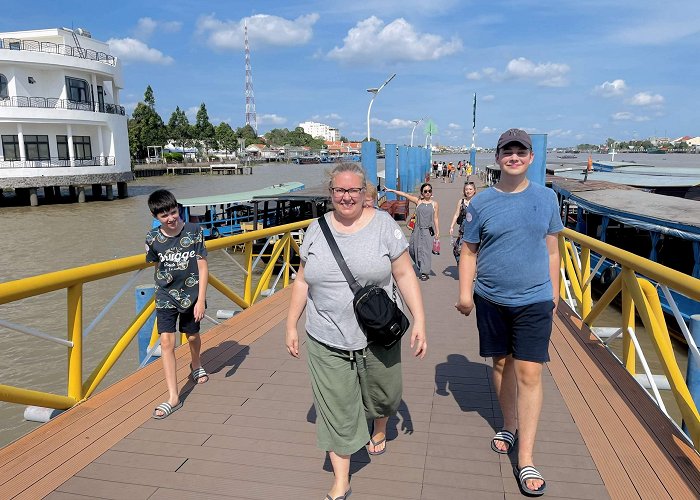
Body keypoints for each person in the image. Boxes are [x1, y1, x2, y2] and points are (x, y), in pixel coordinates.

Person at [286, 163, 427, 500]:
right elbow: (302, 279)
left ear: (365, 193)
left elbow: (405, 274)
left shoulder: (383, 226)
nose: (346, 196)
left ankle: (379, 425)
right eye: (339, 190)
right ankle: (341, 479)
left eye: (353, 190)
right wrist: (290, 323)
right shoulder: (316, 229)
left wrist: (419, 319)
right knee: (336, 406)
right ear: (330, 193)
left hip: (376, 334)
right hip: (325, 336)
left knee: (385, 394)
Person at [455, 129, 563, 497]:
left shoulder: (547, 198)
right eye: (507, 151)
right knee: (501, 364)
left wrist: (556, 292)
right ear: (498, 157)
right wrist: (464, 294)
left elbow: (552, 249)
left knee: (529, 372)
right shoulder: (481, 203)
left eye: (521, 151)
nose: (514, 157)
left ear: (531, 158)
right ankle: (509, 423)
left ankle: (526, 457)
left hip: (534, 298)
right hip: (491, 297)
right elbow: (468, 251)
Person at [146, 189, 210, 420]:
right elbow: (156, 266)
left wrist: (201, 299)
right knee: (166, 342)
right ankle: (173, 396)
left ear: (177, 209)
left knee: (192, 336)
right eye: (164, 216)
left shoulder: (194, 231)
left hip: (192, 294)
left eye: (173, 212)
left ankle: (196, 363)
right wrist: (162, 286)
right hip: (165, 295)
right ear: (156, 217)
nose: (171, 218)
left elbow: (202, 266)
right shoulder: (152, 238)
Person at [384, 183, 440, 281]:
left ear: (431, 192)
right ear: (422, 193)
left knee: (425, 251)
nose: (428, 193)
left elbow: (436, 218)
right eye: (425, 191)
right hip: (417, 229)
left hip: (428, 230)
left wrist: (437, 231)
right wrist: (392, 190)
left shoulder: (434, 204)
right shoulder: (418, 201)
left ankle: (424, 272)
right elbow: (405, 195)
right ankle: (421, 265)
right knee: (412, 249)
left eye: (429, 191)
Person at [448, 181, 477, 263]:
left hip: (474, 229)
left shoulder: (477, 201)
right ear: (464, 191)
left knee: (473, 251)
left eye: (470, 189)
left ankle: (472, 270)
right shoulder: (461, 201)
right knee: (457, 250)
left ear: (474, 190)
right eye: (466, 189)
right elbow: (456, 214)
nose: (468, 191)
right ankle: (461, 266)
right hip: (463, 229)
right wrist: (451, 226)